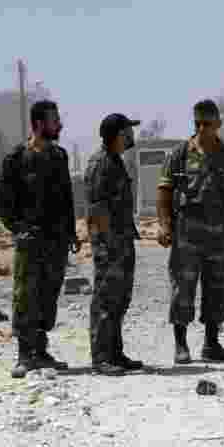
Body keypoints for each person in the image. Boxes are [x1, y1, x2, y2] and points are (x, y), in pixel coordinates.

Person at [156, 99, 224, 364]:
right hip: (187, 229)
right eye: (197, 123)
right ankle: (181, 345)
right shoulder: (179, 154)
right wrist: (164, 225)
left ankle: (211, 344)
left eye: (207, 123)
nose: (201, 128)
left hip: (218, 230)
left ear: (218, 124)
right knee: (183, 287)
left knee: (217, 288)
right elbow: (164, 191)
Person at [0, 100, 80, 379]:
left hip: (55, 242)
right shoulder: (15, 158)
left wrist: (70, 232)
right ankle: (24, 355)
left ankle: (41, 352)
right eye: (55, 120)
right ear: (39, 124)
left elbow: (67, 198)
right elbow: (3, 204)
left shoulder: (59, 156)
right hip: (30, 242)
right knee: (25, 296)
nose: (60, 125)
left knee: (48, 296)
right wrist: (18, 229)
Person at [84, 113, 144, 376]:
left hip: (121, 240)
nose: (132, 136)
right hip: (109, 244)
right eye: (128, 132)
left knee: (120, 299)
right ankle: (101, 357)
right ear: (118, 135)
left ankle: (115, 353)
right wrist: (108, 245)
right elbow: (97, 208)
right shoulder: (101, 164)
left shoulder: (114, 161)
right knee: (106, 300)